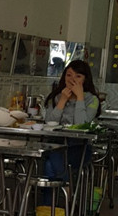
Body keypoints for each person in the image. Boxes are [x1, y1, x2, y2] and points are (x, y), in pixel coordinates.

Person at [40, 60, 100, 188]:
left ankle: (64, 192)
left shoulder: (92, 100)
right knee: (50, 162)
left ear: (85, 79)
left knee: (52, 159)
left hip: (80, 147)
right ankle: (67, 193)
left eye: (78, 76)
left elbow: (81, 125)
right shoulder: (56, 97)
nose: (72, 79)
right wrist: (62, 100)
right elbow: (49, 123)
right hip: (55, 144)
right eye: (69, 75)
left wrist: (80, 98)